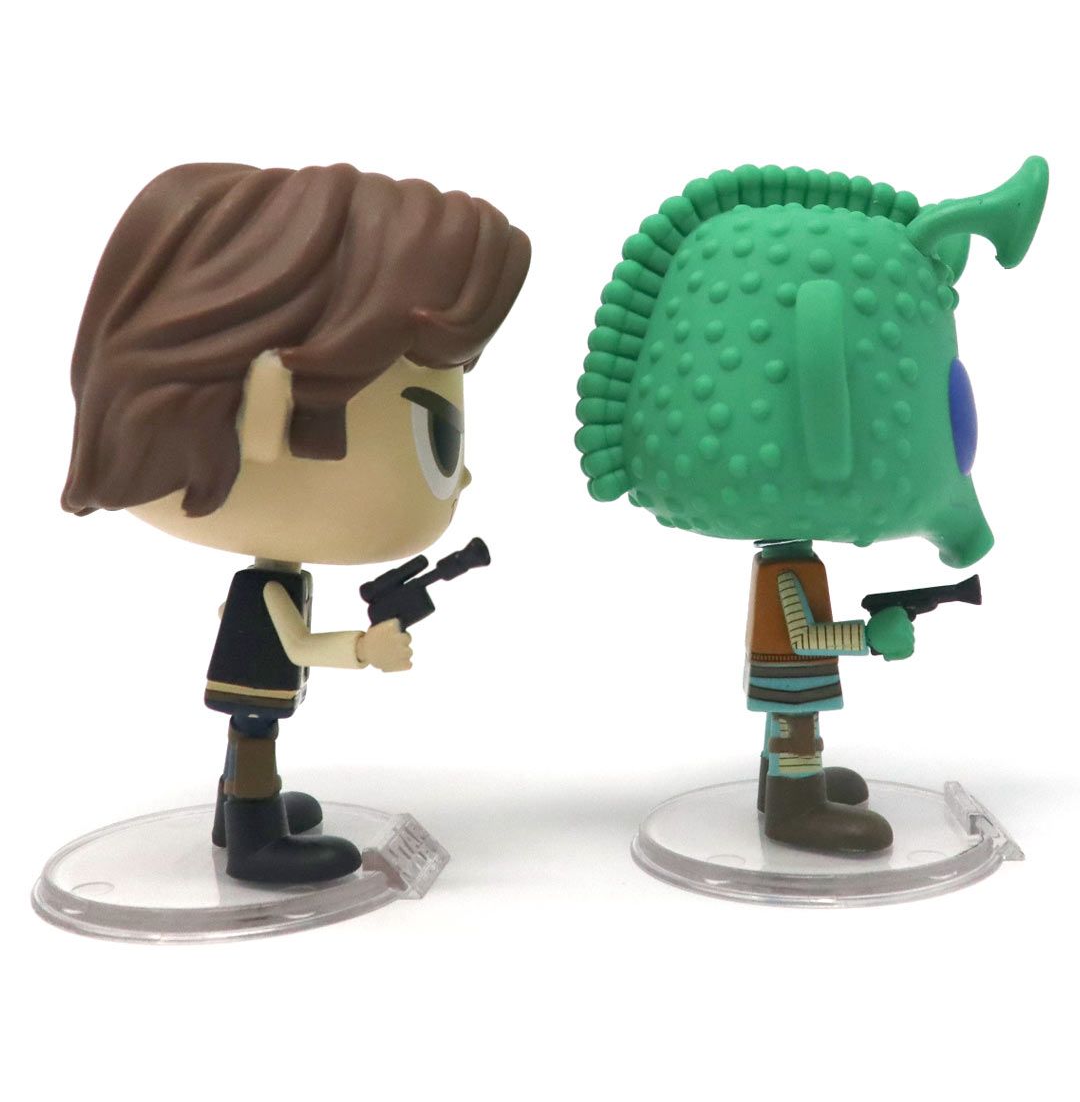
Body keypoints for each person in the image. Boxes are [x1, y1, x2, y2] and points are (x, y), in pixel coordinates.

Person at [63, 162, 530, 883]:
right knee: (255, 738)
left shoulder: (264, 585)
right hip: (254, 689)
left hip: (251, 673)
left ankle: (237, 815)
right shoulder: (268, 591)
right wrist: (365, 650)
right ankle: (255, 839)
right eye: (441, 440)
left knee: (251, 738)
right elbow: (301, 644)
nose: (461, 477)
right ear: (270, 412)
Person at [576, 157, 1046, 853]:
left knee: (792, 721)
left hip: (785, 668)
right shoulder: (788, 572)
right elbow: (803, 637)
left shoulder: (786, 563)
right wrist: (870, 637)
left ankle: (784, 785)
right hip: (789, 671)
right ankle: (795, 809)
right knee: (796, 720)